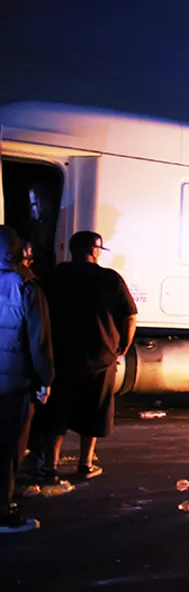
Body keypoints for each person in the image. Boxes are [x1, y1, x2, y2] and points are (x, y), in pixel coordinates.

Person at [33, 231, 136, 483]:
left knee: (55, 413)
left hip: (60, 357)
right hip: (99, 358)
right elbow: (130, 315)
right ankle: (85, 463)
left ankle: (50, 466)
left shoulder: (54, 276)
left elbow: (36, 309)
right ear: (94, 251)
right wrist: (122, 346)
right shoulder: (109, 279)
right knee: (94, 411)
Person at [0, 227, 53, 533]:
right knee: (8, 448)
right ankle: (3, 512)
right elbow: (39, 340)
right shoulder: (25, 286)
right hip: (13, 384)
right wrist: (45, 379)